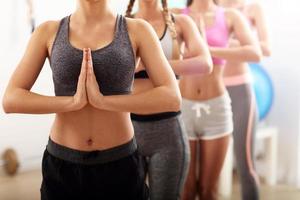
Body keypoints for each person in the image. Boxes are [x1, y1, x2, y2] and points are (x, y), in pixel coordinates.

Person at [2, 0, 182, 199]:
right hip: (62, 164)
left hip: (120, 163)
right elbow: (11, 99)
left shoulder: (138, 30)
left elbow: (171, 97)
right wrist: (71, 102)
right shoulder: (48, 31)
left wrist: (104, 101)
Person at [173, 0, 262, 199]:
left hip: (216, 108)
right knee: (185, 192)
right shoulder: (176, 14)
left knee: (208, 191)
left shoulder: (230, 16)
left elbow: (255, 53)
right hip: (183, 108)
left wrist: (208, 51)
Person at [126, 0, 212, 199]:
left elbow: (205, 63)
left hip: (169, 132)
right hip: (127, 130)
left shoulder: (180, 23)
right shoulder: (121, 24)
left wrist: (149, 66)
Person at [218, 0, 271, 199]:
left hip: (241, 91)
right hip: (212, 92)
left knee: (246, 163)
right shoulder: (210, 8)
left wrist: (235, 42)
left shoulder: (252, 9)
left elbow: (266, 49)